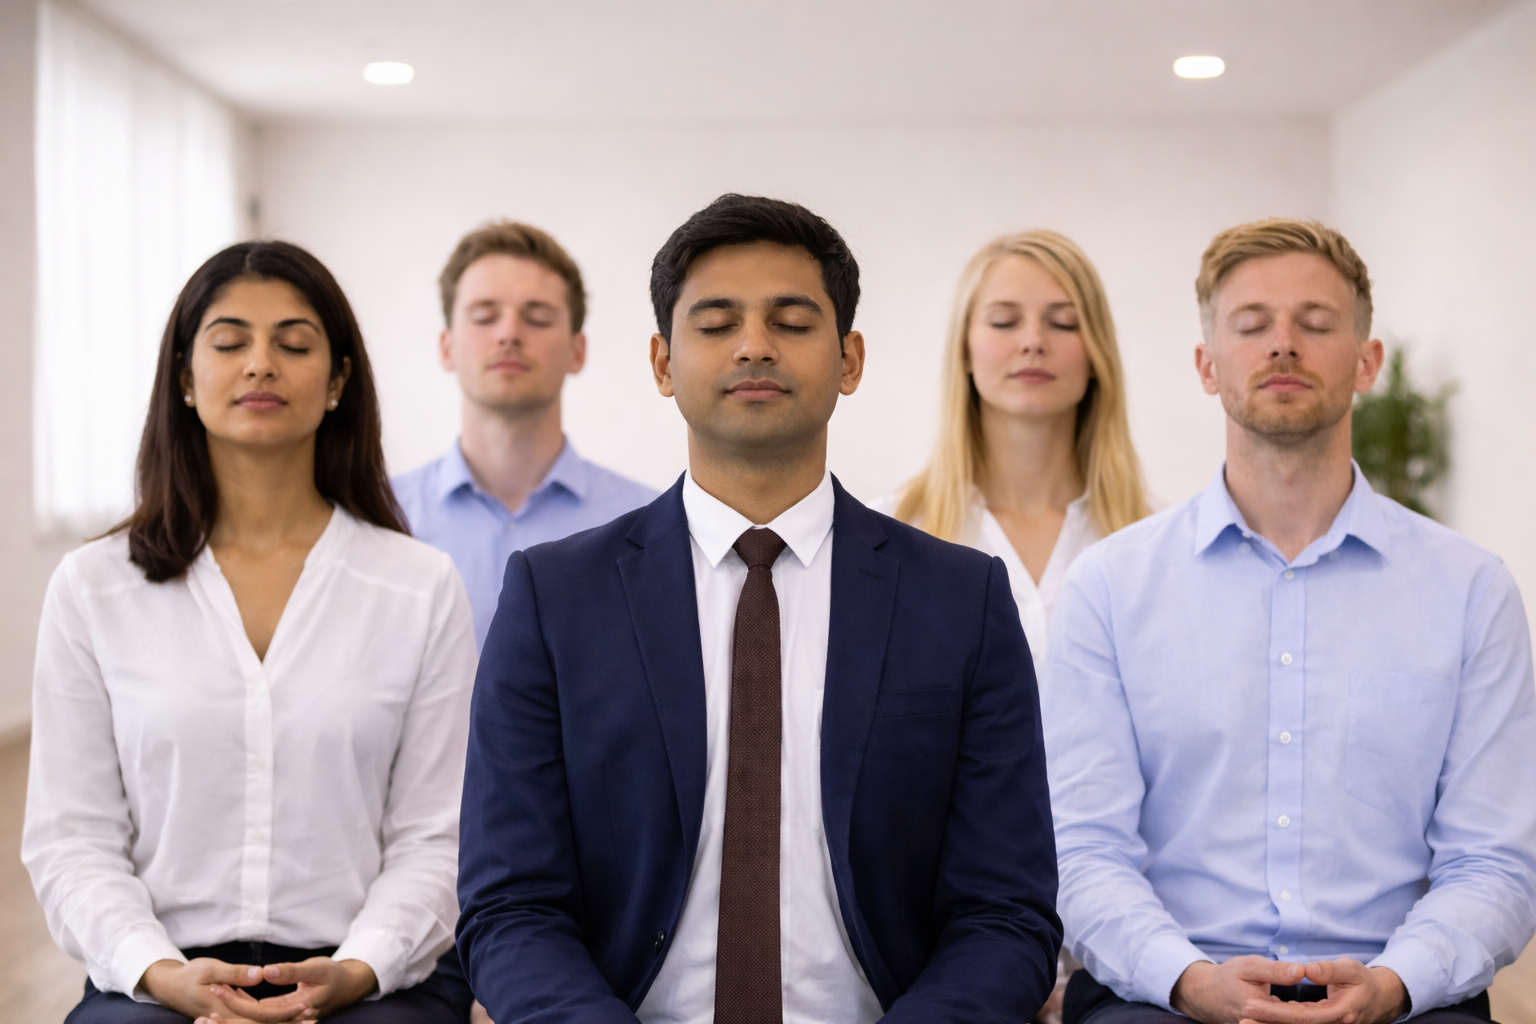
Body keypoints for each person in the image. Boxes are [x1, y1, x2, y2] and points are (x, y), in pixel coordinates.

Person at [456, 194, 1062, 1024]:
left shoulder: (961, 600)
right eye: (716, 323)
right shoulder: (555, 598)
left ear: (849, 360)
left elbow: (1005, 912)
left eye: (791, 320)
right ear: (663, 365)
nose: (753, 346)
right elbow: (510, 906)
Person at [1043, 218, 1536, 1024]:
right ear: (1207, 366)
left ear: (1366, 362)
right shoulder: (1109, 587)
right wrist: (1188, 978)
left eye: (1314, 323)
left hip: (1404, 993)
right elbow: (1082, 849)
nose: (1282, 345)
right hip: (1164, 995)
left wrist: (1395, 983)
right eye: (1251, 325)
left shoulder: (1471, 590)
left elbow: (1495, 862)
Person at [23, 242, 478, 1024]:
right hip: (161, 978)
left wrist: (362, 966)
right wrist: (161, 972)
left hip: (368, 977)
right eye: (229, 342)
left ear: (337, 381)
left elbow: (438, 837)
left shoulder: (420, 585)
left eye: (294, 344)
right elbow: (73, 838)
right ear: (184, 379)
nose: (260, 364)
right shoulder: (94, 585)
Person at [880, 229, 1150, 678]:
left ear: (1096, 353)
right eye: (1004, 321)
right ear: (964, 350)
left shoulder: (1149, 544)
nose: (1032, 342)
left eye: (1063, 322)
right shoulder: (892, 536)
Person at [392, 221, 657, 650]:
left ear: (578, 350)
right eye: (484, 316)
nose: (509, 333)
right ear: (446, 346)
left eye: (537, 317)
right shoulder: (384, 519)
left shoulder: (649, 523)